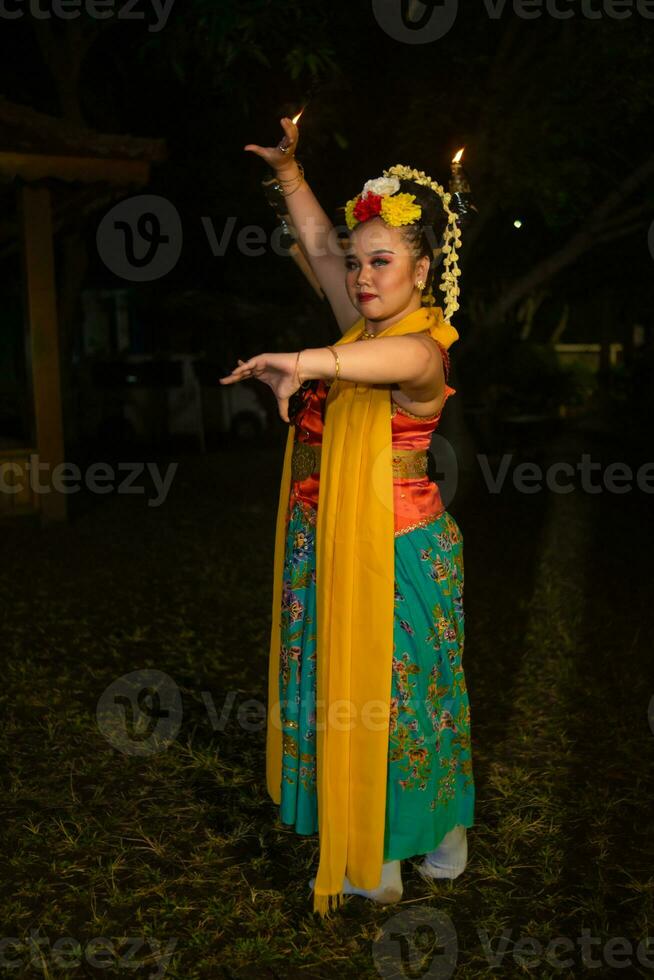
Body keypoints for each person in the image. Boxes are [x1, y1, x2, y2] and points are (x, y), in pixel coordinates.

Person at [220, 117, 474, 918]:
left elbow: (390, 367)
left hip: (398, 546)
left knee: (402, 696)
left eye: (382, 262)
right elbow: (323, 249)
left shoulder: (420, 347)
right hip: (324, 539)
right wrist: (292, 175)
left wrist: (300, 360)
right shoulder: (360, 323)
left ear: (423, 269)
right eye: (359, 263)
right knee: (339, 691)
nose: (362, 276)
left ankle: (412, 838)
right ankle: (371, 828)